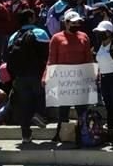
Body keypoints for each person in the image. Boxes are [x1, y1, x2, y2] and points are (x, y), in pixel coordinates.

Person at [45, 10, 94, 145]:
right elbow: (52, 59)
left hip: (80, 78)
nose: (76, 25)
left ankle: (82, 134)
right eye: (73, 23)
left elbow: (88, 57)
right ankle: (61, 133)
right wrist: (47, 76)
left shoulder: (84, 36)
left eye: (78, 22)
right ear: (66, 23)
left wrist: (93, 74)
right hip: (64, 79)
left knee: (81, 109)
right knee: (63, 109)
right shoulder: (56, 38)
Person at [6, 9, 51, 144]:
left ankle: (26, 135)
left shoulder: (13, 36)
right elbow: (47, 54)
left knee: (24, 104)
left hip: (19, 76)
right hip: (37, 74)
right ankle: (38, 115)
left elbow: (8, 56)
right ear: (31, 18)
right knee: (40, 96)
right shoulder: (40, 33)